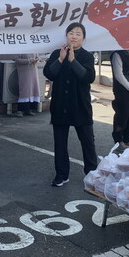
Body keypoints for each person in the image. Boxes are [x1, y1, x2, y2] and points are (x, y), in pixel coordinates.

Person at [43, 22, 97, 187]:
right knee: (60, 143)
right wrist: (61, 59)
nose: (74, 36)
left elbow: (88, 77)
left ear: (83, 38)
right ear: (66, 36)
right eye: (71, 33)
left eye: (78, 34)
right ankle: (61, 174)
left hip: (80, 105)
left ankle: (92, 173)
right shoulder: (57, 53)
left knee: (87, 141)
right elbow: (49, 73)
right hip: (60, 105)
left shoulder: (87, 56)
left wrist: (73, 61)